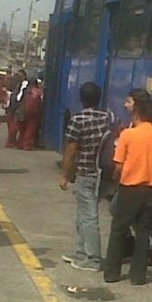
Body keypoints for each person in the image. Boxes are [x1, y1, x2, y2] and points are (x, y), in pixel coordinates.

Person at [103, 98, 152, 285]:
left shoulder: (127, 135)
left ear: (136, 113)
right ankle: (138, 276)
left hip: (130, 187)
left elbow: (118, 164)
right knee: (143, 232)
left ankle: (112, 272)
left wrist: (116, 178)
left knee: (118, 229)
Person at [59, 82, 114, 272]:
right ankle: (80, 252)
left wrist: (65, 175)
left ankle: (93, 259)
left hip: (86, 172)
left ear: (81, 99)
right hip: (104, 173)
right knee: (84, 214)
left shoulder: (78, 119)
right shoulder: (108, 117)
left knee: (89, 217)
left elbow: (71, 149)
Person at [5, 69, 28, 148]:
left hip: (10, 105)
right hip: (16, 106)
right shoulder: (22, 85)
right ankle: (11, 141)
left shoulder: (13, 84)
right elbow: (18, 97)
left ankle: (11, 141)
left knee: (11, 125)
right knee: (15, 125)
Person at [19, 78, 44, 150]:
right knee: (30, 128)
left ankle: (20, 144)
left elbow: (20, 100)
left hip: (24, 110)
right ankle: (26, 145)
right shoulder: (39, 92)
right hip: (34, 112)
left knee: (22, 128)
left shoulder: (25, 90)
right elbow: (41, 102)